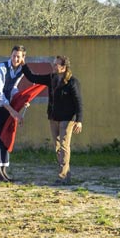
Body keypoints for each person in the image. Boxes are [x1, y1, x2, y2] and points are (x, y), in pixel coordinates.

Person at [22, 55, 83, 185]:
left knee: (64, 146)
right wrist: (23, 65)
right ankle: (66, 173)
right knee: (57, 146)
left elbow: (78, 102)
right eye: (53, 64)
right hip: (53, 117)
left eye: (56, 64)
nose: (53, 66)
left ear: (64, 67)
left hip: (67, 119)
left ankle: (62, 176)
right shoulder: (51, 78)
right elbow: (33, 77)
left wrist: (79, 120)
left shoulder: (72, 82)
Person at [0, 45, 26, 183]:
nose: (15, 58)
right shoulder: (0, 68)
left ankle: (4, 170)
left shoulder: (21, 70)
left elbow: (13, 88)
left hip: (7, 105)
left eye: (18, 57)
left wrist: (21, 100)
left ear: (22, 58)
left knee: (5, 136)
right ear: (11, 55)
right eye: (13, 55)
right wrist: (13, 111)